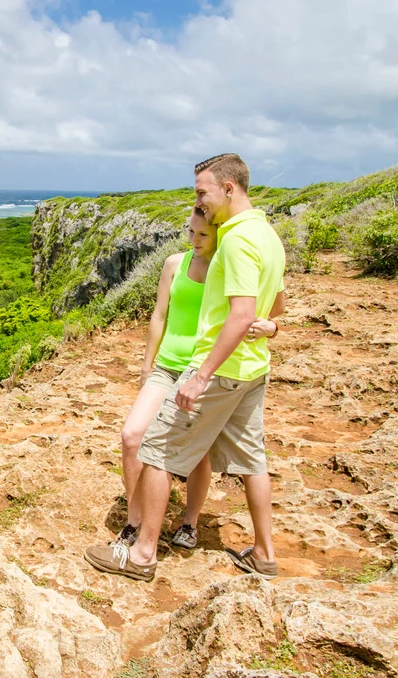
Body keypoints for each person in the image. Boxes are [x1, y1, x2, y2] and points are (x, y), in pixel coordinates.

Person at [85, 153, 286, 583]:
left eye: (201, 192)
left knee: (157, 451)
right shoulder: (268, 234)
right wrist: (270, 328)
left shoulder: (234, 239)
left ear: (228, 189)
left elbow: (239, 315)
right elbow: (274, 308)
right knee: (252, 461)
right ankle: (265, 554)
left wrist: (200, 375)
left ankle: (141, 555)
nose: (198, 201)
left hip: (223, 367)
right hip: (253, 369)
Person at [110, 207, 280, 552]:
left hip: (205, 368)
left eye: (203, 235)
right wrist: (147, 364)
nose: (194, 240)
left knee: (198, 453)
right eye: (190, 232)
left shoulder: (229, 265)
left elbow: (267, 307)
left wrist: (272, 326)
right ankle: (135, 517)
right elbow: (159, 315)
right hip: (169, 366)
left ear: (219, 235)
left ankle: (189, 523)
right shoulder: (175, 264)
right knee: (132, 436)